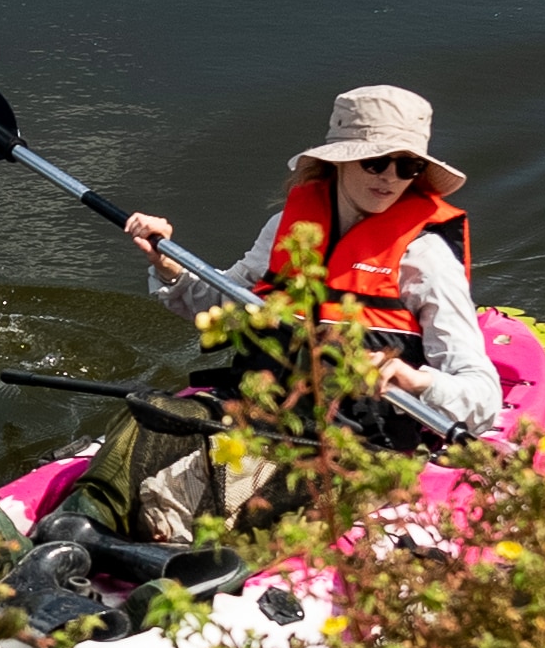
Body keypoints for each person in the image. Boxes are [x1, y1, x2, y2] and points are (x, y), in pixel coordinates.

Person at [123, 82, 501, 438]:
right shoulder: (286, 230)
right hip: (257, 416)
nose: (390, 177)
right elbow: (223, 306)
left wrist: (415, 380)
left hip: (357, 445)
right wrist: (167, 264)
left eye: (407, 167)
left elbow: (483, 399)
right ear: (340, 161)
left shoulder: (426, 257)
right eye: (377, 162)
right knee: (141, 423)